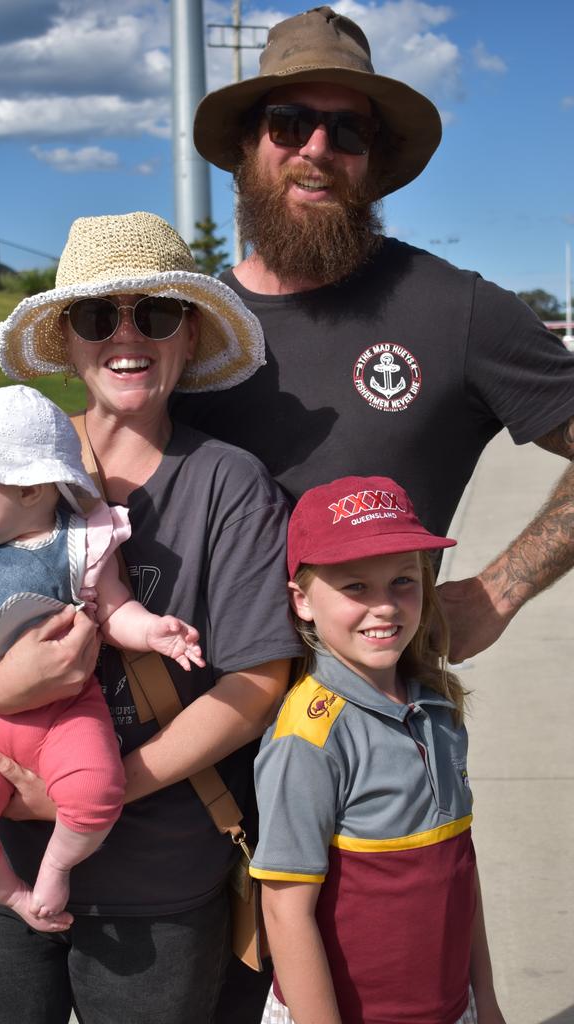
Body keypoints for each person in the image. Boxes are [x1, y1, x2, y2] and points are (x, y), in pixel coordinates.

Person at [0, 212, 303, 1023]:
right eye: (94, 316)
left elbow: (258, 681)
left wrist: (104, 790)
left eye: (154, 314)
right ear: (67, 342)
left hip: (157, 879)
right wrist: (4, 688)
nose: (126, 337)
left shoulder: (229, 484)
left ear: (188, 337)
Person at [175, 4, 574, 666]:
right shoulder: (182, 328)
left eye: (349, 132)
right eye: (289, 123)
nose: (318, 150)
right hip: (195, 741)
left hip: (374, 746)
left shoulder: (456, 310)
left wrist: (502, 588)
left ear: (374, 158)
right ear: (249, 144)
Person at [0, 383, 208, 932]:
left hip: (66, 713)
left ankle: (56, 866)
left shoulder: (80, 544)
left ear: (30, 490)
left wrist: (154, 633)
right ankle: (11, 898)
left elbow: (115, 612)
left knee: (97, 793)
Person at [251, 476, 505, 1024]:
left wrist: (485, 1001)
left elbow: (459, 869)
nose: (385, 607)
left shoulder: (437, 706)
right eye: (356, 588)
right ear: (303, 602)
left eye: (402, 581)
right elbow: (284, 908)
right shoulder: (309, 737)